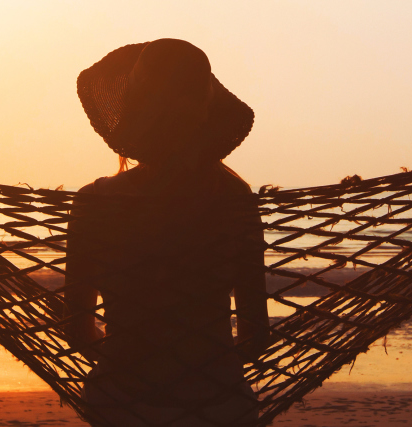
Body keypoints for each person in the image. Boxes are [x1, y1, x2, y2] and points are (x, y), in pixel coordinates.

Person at [65, 38, 270, 427]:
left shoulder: (95, 203)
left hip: (121, 403)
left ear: (134, 114)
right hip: (219, 405)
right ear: (206, 113)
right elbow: (256, 334)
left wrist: (126, 361)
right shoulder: (233, 201)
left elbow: (76, 331)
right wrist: (203, 370)